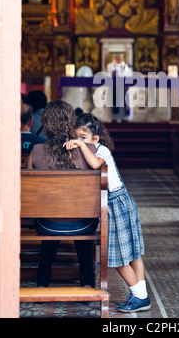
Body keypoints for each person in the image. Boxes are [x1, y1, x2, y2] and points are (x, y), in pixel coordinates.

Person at [64, 113, 150, 313]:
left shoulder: (101, 151)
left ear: (96, 139)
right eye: (76, 137)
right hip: (121, 201)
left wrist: (82, 146)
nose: (79, 142)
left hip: (116, 204)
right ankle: (141, 296)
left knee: (121, 256)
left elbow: (95, 164)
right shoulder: (90, 149)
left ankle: (140, 296)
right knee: (132, 254)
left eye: (83, 138)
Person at [27, 101, 99, 288]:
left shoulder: (36, 151)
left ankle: (42, 282)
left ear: (46, 124)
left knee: (50, 213)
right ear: (71, 122)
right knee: (80, 215)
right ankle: (87, 283)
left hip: (46, 224)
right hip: (84, 223)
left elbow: (30, 192)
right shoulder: (90, 150)